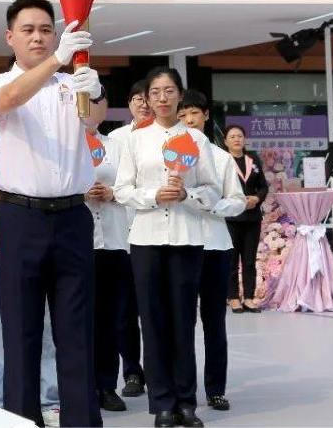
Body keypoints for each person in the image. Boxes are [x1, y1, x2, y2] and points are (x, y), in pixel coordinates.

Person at [0, 0, 103, 428]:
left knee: (76, 331)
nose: (38, 37)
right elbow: (10, 98)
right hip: (20, 219)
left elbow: (94, 120)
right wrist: (58, 59)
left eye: (46, 30)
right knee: (21, 333)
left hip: (72, 218)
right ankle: (21, 420)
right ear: (9, 37)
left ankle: (81, 421)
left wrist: (95, 90)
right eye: (28, 30)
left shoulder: (72, 84)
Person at [114, 68, 220, 428]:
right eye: (156, 92)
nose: (162, 98)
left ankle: (186, 402)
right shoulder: (135, 140)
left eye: (169, 91)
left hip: (186, 238)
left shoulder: (196, 140)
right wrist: (153, 195)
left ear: (180, 95)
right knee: (153, 322)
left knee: (183, 321)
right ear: (147, 98)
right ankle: (161, 402)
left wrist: (187, 194)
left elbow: (212, 191)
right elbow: (123, 190)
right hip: (146, 240)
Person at [0, 124, 61, 427]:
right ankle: (1, 404)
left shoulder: (53, 125)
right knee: (1, 327)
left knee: (47, 324)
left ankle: (49, 402)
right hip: (5, 239)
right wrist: (22, 205)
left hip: (51, 237)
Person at [178, 92, 245, 412]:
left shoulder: (221, 158)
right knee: (182, 322)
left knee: (214, 322)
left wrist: (212, 206)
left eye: (193, 113)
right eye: (182, 115)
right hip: (180, 245)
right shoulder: (170, 156)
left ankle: (216, 389)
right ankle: (183, 391)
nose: (188, 120)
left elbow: (238, 200)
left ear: (205, 115)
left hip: (216, 245)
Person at [82, 89, 132, 414]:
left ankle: (107, 385)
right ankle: (81, 385)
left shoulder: (117, 147)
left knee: (110, 317)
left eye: (96, 103)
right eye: (84, 103)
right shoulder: (65, 147)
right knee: (79, 317)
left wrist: (112, 193)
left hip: (113, 240)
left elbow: (132, 187)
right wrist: (80, 193)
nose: (90, 109)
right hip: (78, 243)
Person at [105, 80, 149, 400]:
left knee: (156, 311)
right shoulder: (115, 140)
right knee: (124, 312)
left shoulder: (166, 140)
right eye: (137, 98)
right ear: (129, 103)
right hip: (121, 236)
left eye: (148, 98)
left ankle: (161, 372)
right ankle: (132, 371)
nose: (143, 104)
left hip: (154, 232)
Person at [224, 125, 269, 313]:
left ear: (244, 139)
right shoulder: (223, 161)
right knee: (232, 260)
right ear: (225, 141)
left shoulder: (253, 159)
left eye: (240, 136)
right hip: (231, 218)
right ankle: (233, 297)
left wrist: (256, 198)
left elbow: (263, 186)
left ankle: (249, 298)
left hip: (252, 217)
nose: (236, 139)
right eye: (232, 136)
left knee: (249, 260)